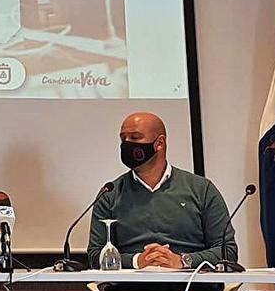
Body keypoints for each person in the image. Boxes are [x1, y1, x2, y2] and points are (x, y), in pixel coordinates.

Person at [86, 112, 236, 270]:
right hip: (129, 289)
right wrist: (138, 261)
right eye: (123, 139)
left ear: (160, 143)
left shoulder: (201, 189)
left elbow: (227, 251)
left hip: (192, 287)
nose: (127, 144)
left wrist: (183, 260)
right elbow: (95, 256)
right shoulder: (110, 193)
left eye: (135, 138)